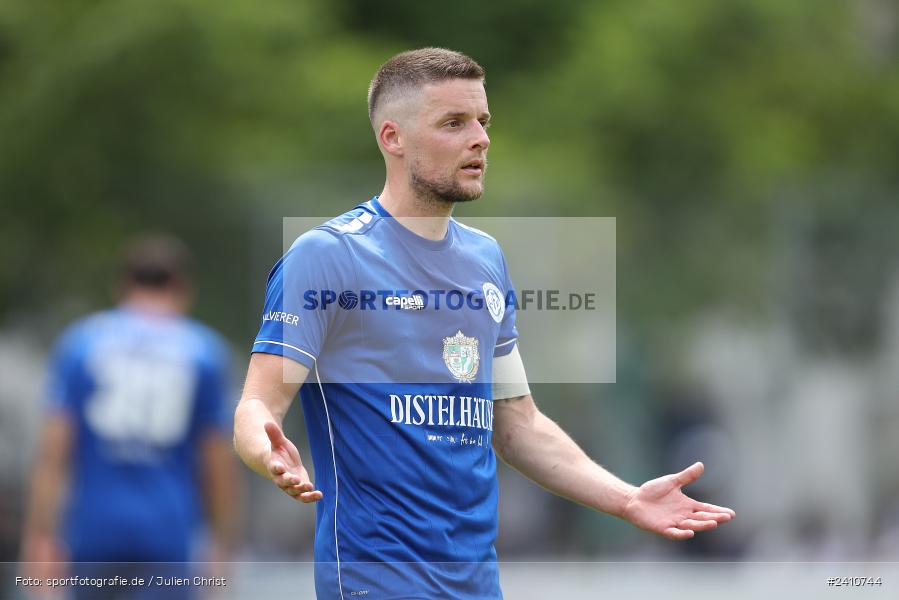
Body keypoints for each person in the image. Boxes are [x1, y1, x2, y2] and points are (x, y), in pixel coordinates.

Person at [234, 48, 736, 599]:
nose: (480, 138)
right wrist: (265, 449)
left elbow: (518, 425)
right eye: (454, 123)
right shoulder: (327, 256)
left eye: (483, 121)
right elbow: (258, 406)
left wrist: (626, 498)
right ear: (392, 138)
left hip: (477, 587)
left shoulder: (485, 260)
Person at [21, 235, 239, 599]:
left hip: (92, 529)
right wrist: (222, 545)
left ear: (122, 286)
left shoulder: (80, 343)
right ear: (182, 288)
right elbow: (216, 463)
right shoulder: (204, 352)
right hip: (167, 532)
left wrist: (40, 536)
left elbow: (54, 453)